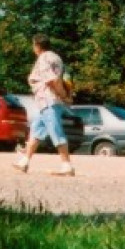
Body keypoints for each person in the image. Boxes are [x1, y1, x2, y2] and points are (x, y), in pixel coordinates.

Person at [16, 34, 75, 176]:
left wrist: (63, 96)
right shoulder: (56, 57)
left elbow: (52, 80)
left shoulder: (44, 58)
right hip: (47, 101)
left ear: (37, 46)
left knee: (55, 130)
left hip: (48, 99)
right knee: (36, 130)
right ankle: (24, 161)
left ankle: (67, 165)